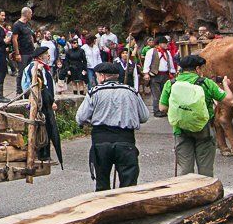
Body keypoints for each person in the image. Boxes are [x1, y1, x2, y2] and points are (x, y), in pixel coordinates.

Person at [76, 61, 150, 191]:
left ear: (103, 76)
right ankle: (126, 208)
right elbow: (144, 116)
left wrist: (91, 120)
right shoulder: (131, 91)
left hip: (101, 142)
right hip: (126, 141)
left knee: (102, 184)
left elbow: (80, 118)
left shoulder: (94, 92)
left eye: (97, 76)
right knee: (128, 186)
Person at [160, 54, 227, 178]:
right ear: (197, 69)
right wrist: (225, 84)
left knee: (186, 171)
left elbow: (162, 108)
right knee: (205, 171)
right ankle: (206, 194)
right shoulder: (206, 83)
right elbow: (229, 100)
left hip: (180, 129)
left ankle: (186, 193)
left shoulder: (171, 83)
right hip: (204, 129)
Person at [20, 45, 63, 167]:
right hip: (40, 103)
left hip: (47, 103)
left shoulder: (44, 68)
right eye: (46, 54)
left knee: (48, 127)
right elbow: (32, 86)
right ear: (40, 56)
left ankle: (46, 154)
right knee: (42, 127)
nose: (49, 56)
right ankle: (42, 154)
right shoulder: (34, 68)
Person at [142, 35, 178, 117]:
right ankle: (157, 111)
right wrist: (146, 73)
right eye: (164, 43)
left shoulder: (167, 52)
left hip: (165, 75)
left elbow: (170, 64)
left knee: (165, 94)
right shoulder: (151, 51)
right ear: (159, 44)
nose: (166, 45)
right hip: (155, 75)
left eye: (166, 43)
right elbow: (147, 63)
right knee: (156, 95)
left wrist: (173, 72)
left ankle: (165, 110)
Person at [11, 7, 37, 94]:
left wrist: (34, 48)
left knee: (30, 71)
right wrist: (17, 53)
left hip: (30, 51)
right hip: (22, 52)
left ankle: (27, 90)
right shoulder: (17, 25)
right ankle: (19, 91)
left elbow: (30, 36)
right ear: (27, 14)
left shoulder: (28, 24)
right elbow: (14, 39)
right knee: (22, 72)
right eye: (31, 13)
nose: (32, 15)